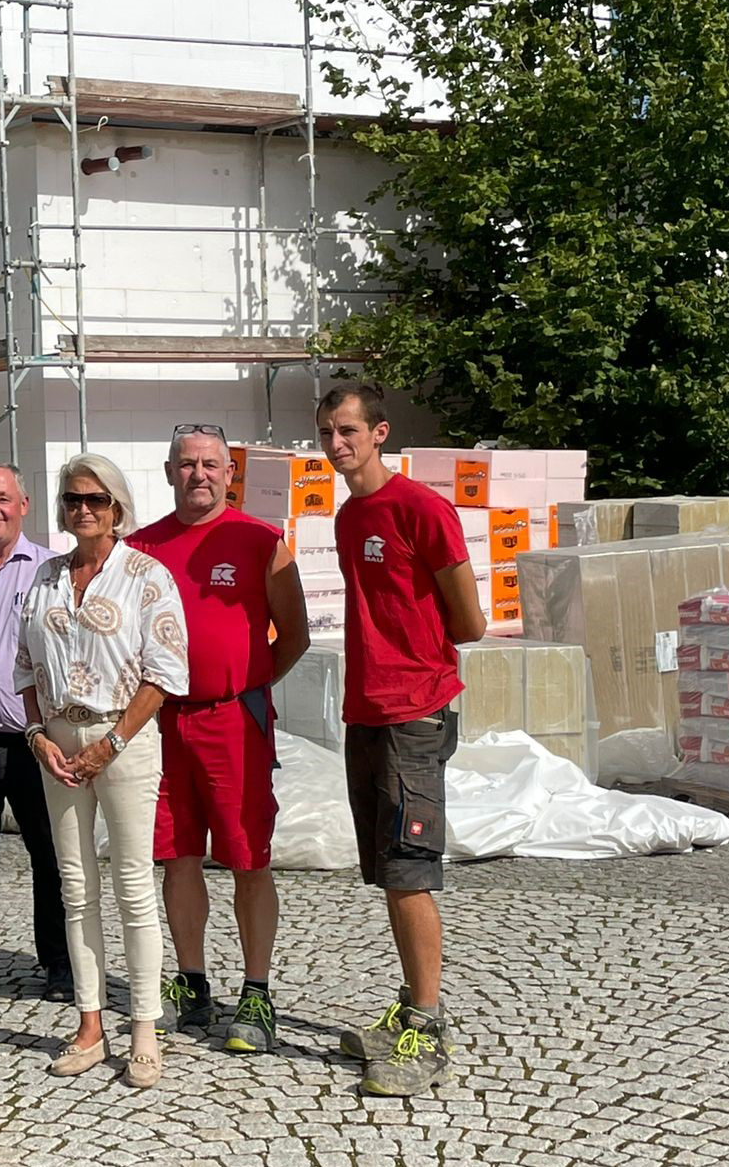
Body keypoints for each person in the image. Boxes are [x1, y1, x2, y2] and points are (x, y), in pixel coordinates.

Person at [318, 382, 484, 1097]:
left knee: (411, 870)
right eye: (326, 431)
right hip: (367, 710)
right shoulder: (350, 515)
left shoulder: (421, 508)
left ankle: (428, 1027)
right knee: (388, 869)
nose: (335, 444)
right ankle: (409, 1011)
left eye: (348, 430)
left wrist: (416, 660)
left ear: (380, 432)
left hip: (416, 711)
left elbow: (469, 621)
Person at [126, 422, 309, 1053]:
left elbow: (296, 634)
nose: (198, 474)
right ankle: (191, 981)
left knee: (247, 856)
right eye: (186, 464)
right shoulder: (141, 547)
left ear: (229, 473)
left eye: (210, 464)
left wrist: (250, 682)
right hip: (163, 720)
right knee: (176, 855)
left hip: (235, 720)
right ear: (169, 470)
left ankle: (256, 992)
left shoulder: (261, 541)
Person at [16, 453, 188, 1089]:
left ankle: (143, 1025)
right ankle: (90, 1023)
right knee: (74, 883)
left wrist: (110, 744)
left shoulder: (147, 577)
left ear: (117, 508)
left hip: (126, 736)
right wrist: (38, 738)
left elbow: (165, 673)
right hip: (57, 741)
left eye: (94, 499)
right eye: (71, 499)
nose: (82, 509)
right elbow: (23, 668)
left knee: (133, 884)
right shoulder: (46, 579)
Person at [0, 461, 72, 1001]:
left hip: (39, 738)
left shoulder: (56, 570)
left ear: (24, 505)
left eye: (3, 498)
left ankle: (59, 965)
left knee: (52, 855)